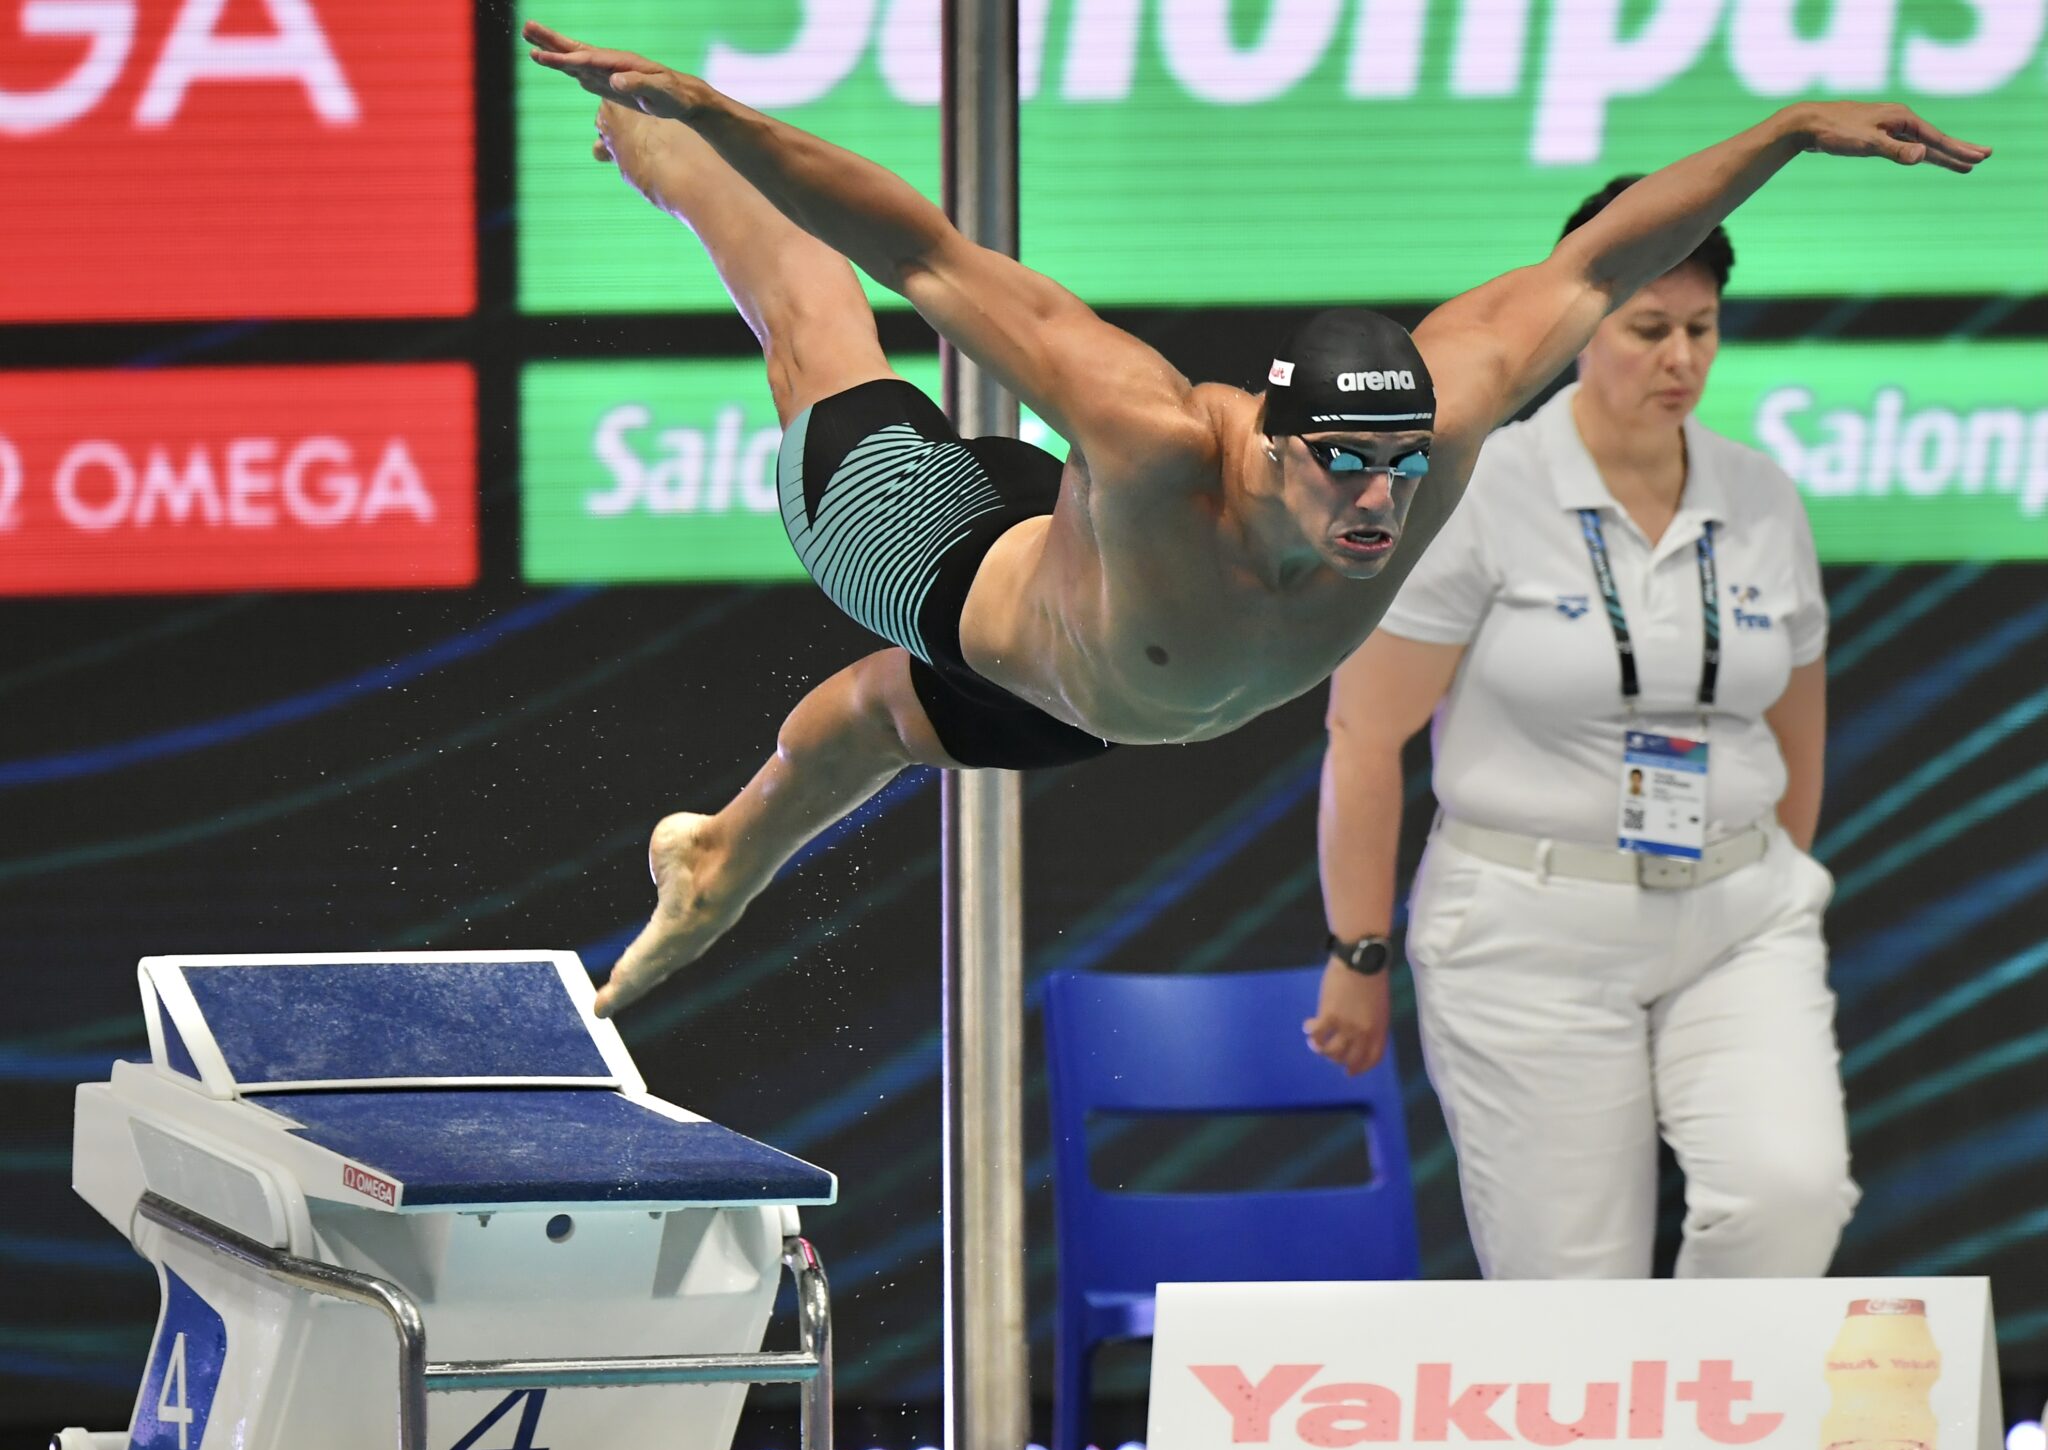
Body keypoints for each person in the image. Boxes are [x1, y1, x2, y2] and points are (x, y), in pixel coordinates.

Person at [523, 19, 1988, 1020]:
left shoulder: (1446, 413)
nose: (1379, 500)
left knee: (894, 721)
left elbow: (1604, 269)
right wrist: (713, 118)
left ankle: (715, 857)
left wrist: (1790, 130)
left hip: (1107, 669)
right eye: (1344, 465)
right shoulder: (1149, 434)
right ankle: (670, 159)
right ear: (1269, 444)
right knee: (821, 342)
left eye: (1400, 467)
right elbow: (918, 245)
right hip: (969, 566)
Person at [1308, 179, 1858, 1280]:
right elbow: (1364, 734)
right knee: (1571, 1290)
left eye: (1699, 329)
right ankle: (1624, 1446)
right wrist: (1356, 950)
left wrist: (1772, 869)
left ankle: (1711, 1438)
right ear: (1576, 325)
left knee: (1789, 1196)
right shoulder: (1482, 485)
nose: (1680, 360)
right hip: (1527, 926)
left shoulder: (1761, 498)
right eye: (1646, 329)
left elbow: (1797, 722)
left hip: (1735, 913)